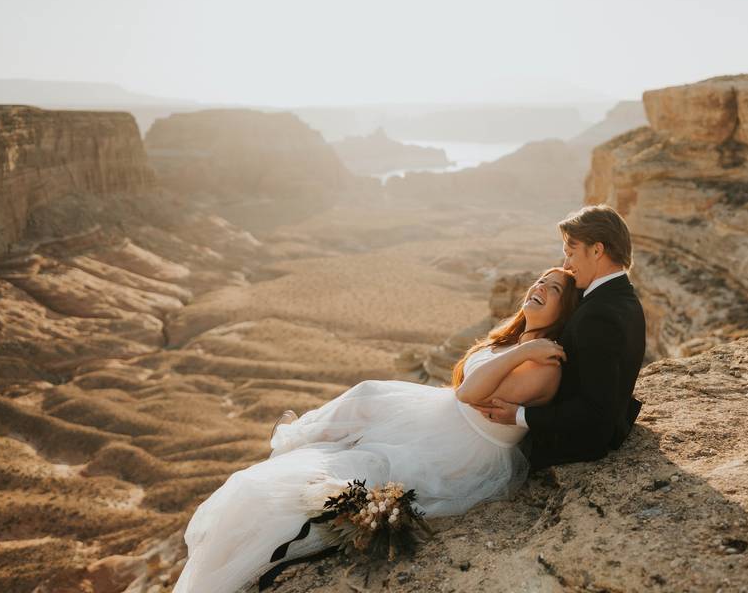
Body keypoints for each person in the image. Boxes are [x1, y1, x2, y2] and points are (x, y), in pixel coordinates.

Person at [172, 268, 578, 593]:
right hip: (442, 421)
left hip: (459, 449)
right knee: (366, 397)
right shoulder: (519, 339)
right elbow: (465, 388)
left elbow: (470, 393)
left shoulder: (544, 365)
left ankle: (297, 459)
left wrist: (525, 351)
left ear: (566, 310)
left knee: (325, 473)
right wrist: (520, 346)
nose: (540, 285)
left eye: (554, 287)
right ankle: (301, 441)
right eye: (541, 278)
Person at [474, 204, 646, 470]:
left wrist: (520, 416)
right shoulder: (622, 297)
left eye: (571, 253)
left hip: (570, 445)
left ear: (597, 250)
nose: (566, 265)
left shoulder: (598, 316)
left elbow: (597, 410)